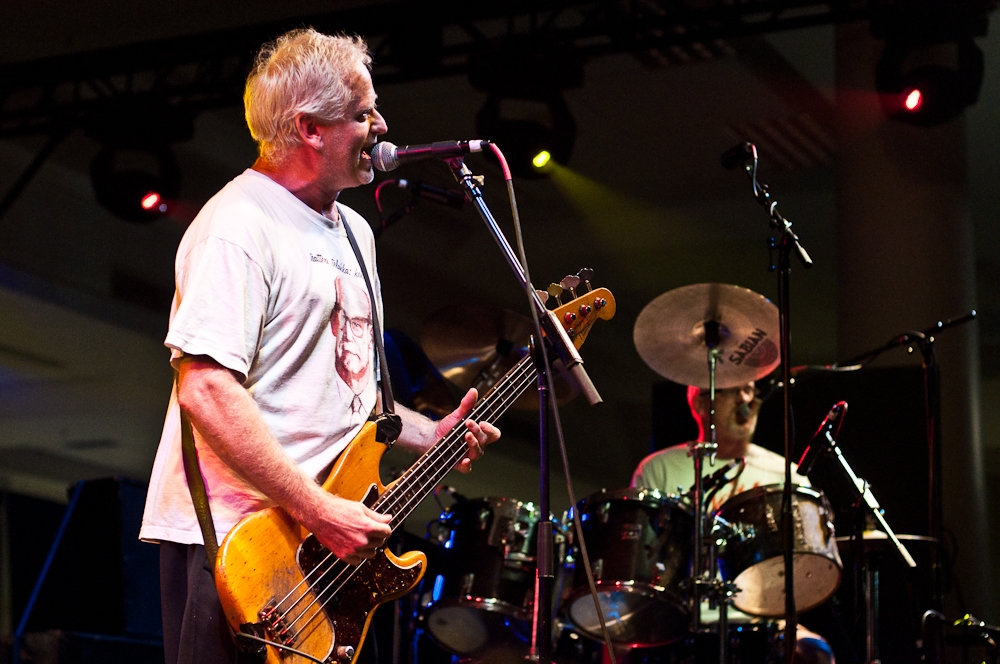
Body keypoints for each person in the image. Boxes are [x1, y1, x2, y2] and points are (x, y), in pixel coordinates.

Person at [139, 29, 501, 664]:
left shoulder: (353, 228)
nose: (382, 125)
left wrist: (429, 433)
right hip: (235, 543)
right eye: (363, 113)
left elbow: (346, 397)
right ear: (309, 129)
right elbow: (204, 387)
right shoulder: (237, 224)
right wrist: (316, 506)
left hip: (317, 543)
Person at [631, 380, 835, 664]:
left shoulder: (788, 474)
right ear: (702, 403)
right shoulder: (659, 469)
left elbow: (804, 566)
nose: (746, 398)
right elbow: (640, 564)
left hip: (766, 621)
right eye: (734, 388)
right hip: (679, 621)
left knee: (816, 654)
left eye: (750, 388)